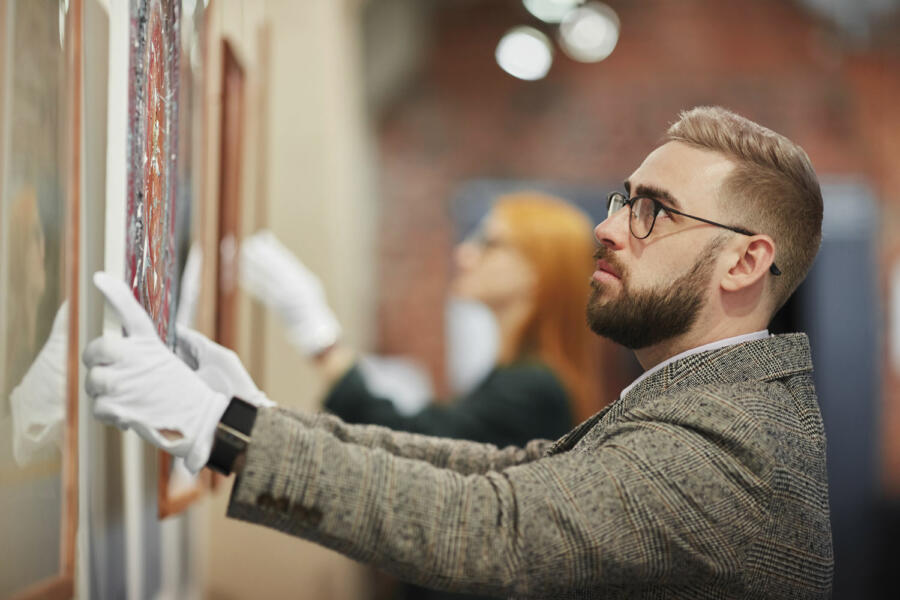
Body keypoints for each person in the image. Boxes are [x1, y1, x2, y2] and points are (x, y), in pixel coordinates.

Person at [83, 106, 833, 598]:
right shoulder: (704, 403)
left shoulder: (728, 446)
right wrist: (250, 420)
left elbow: (495, 526)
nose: (606, 229)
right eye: (622, 198)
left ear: (744, 263)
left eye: (653, 211)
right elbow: (497, 470)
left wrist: (226, 430)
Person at [239, 192, 602, 451]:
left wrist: (320, 339)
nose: (464, 254)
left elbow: (415, 444)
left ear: (538, 273)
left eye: (489, 243)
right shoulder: (520, 376)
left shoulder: (534, 388)